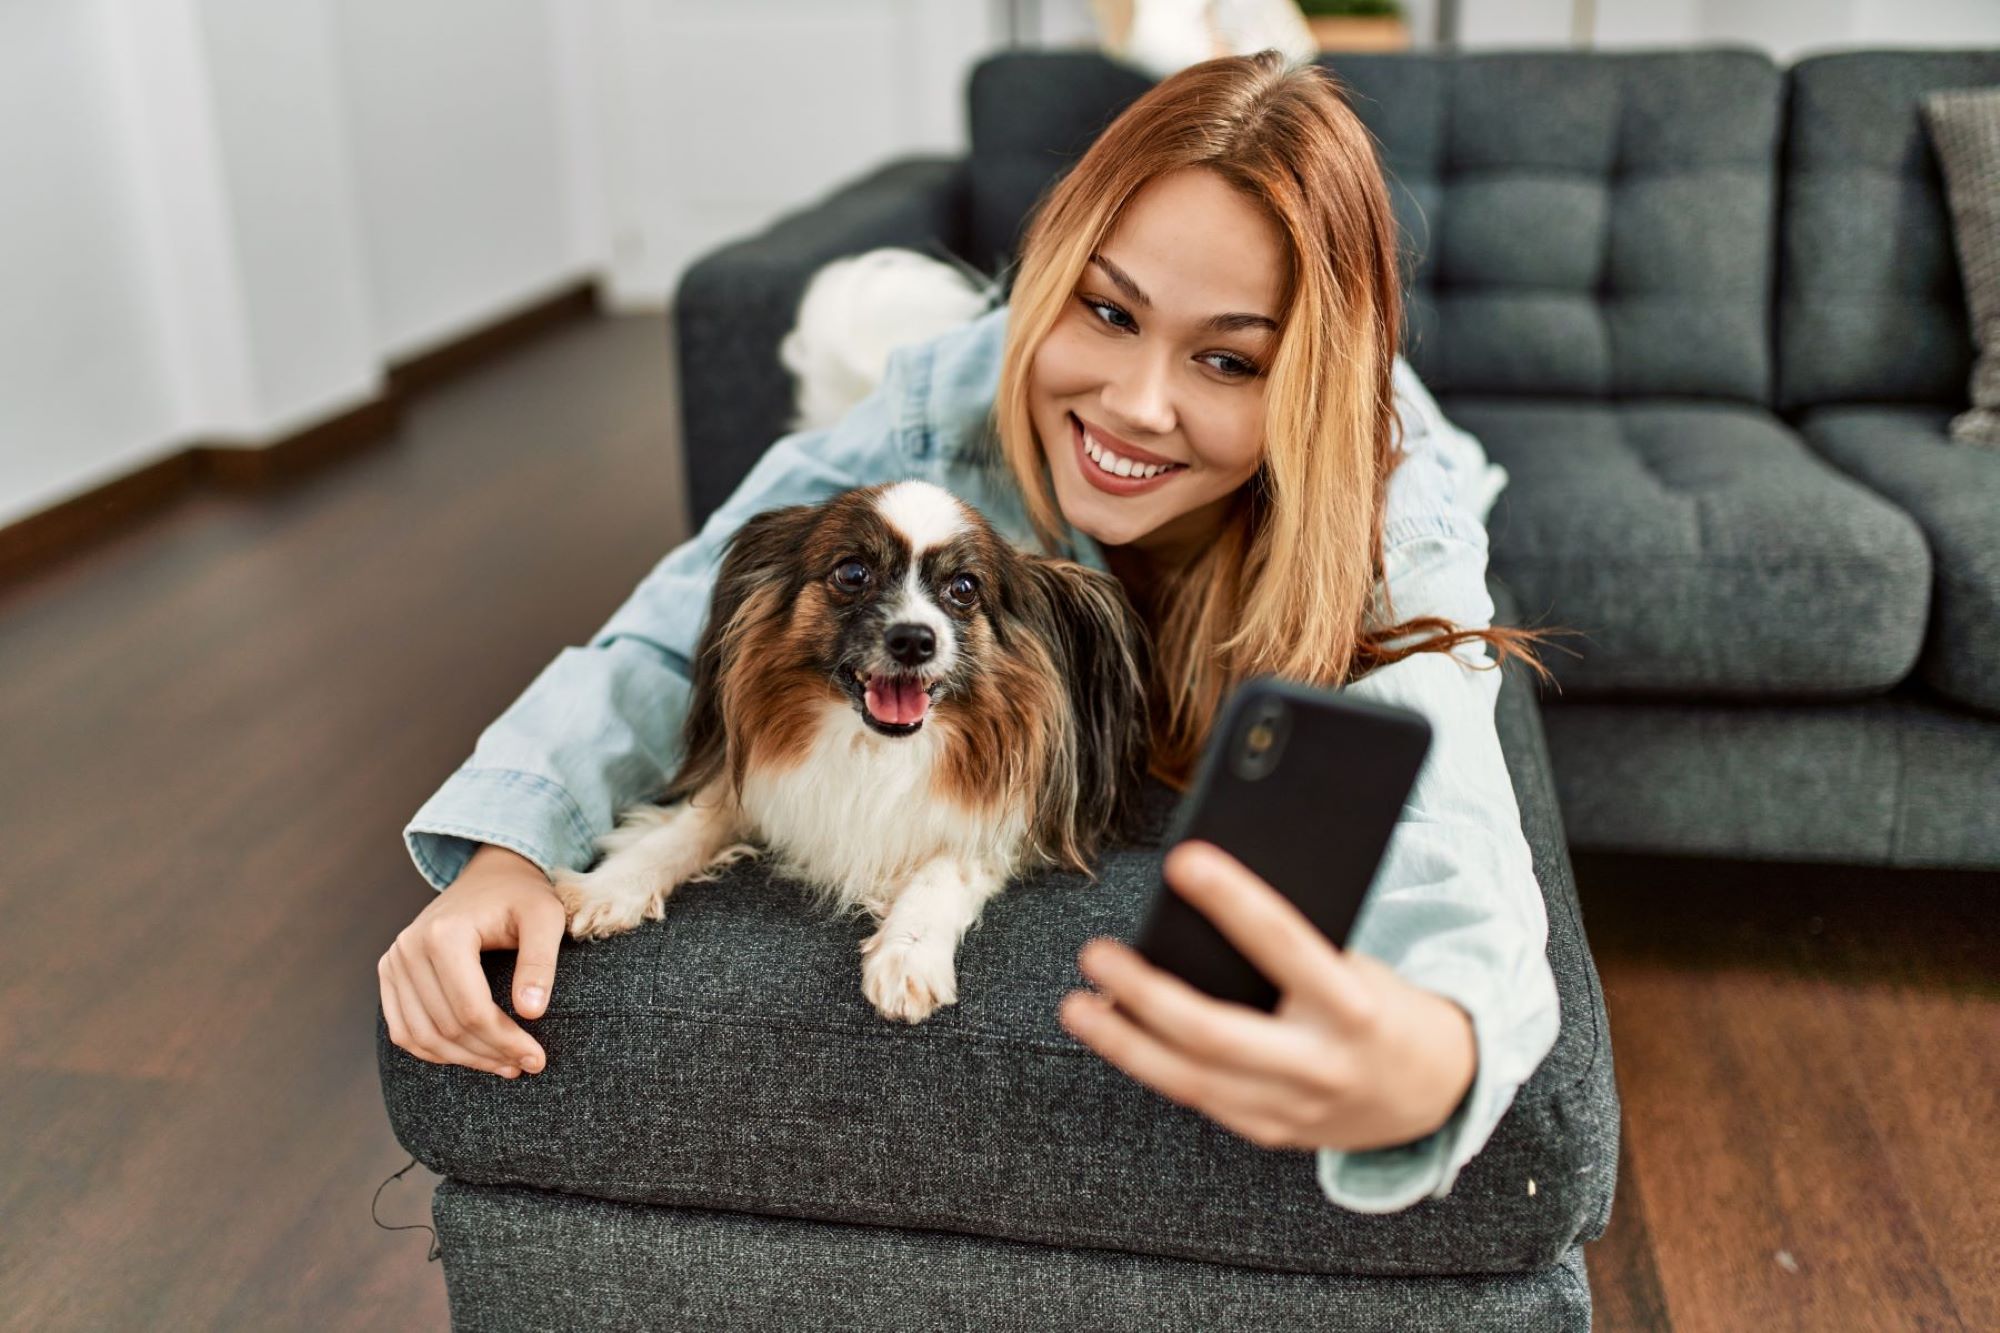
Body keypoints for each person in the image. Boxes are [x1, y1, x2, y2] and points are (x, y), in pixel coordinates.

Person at [378, 50, 1564, 1215]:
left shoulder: (1389, 526)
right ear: (1045, 281)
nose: (1135, 405)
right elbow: (670, 623)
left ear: (1299, 382)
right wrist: (512, 846)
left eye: (1225, 358)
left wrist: (1435, 1050)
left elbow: (1446, 791)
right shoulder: (939, 403)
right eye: (1105, 310)